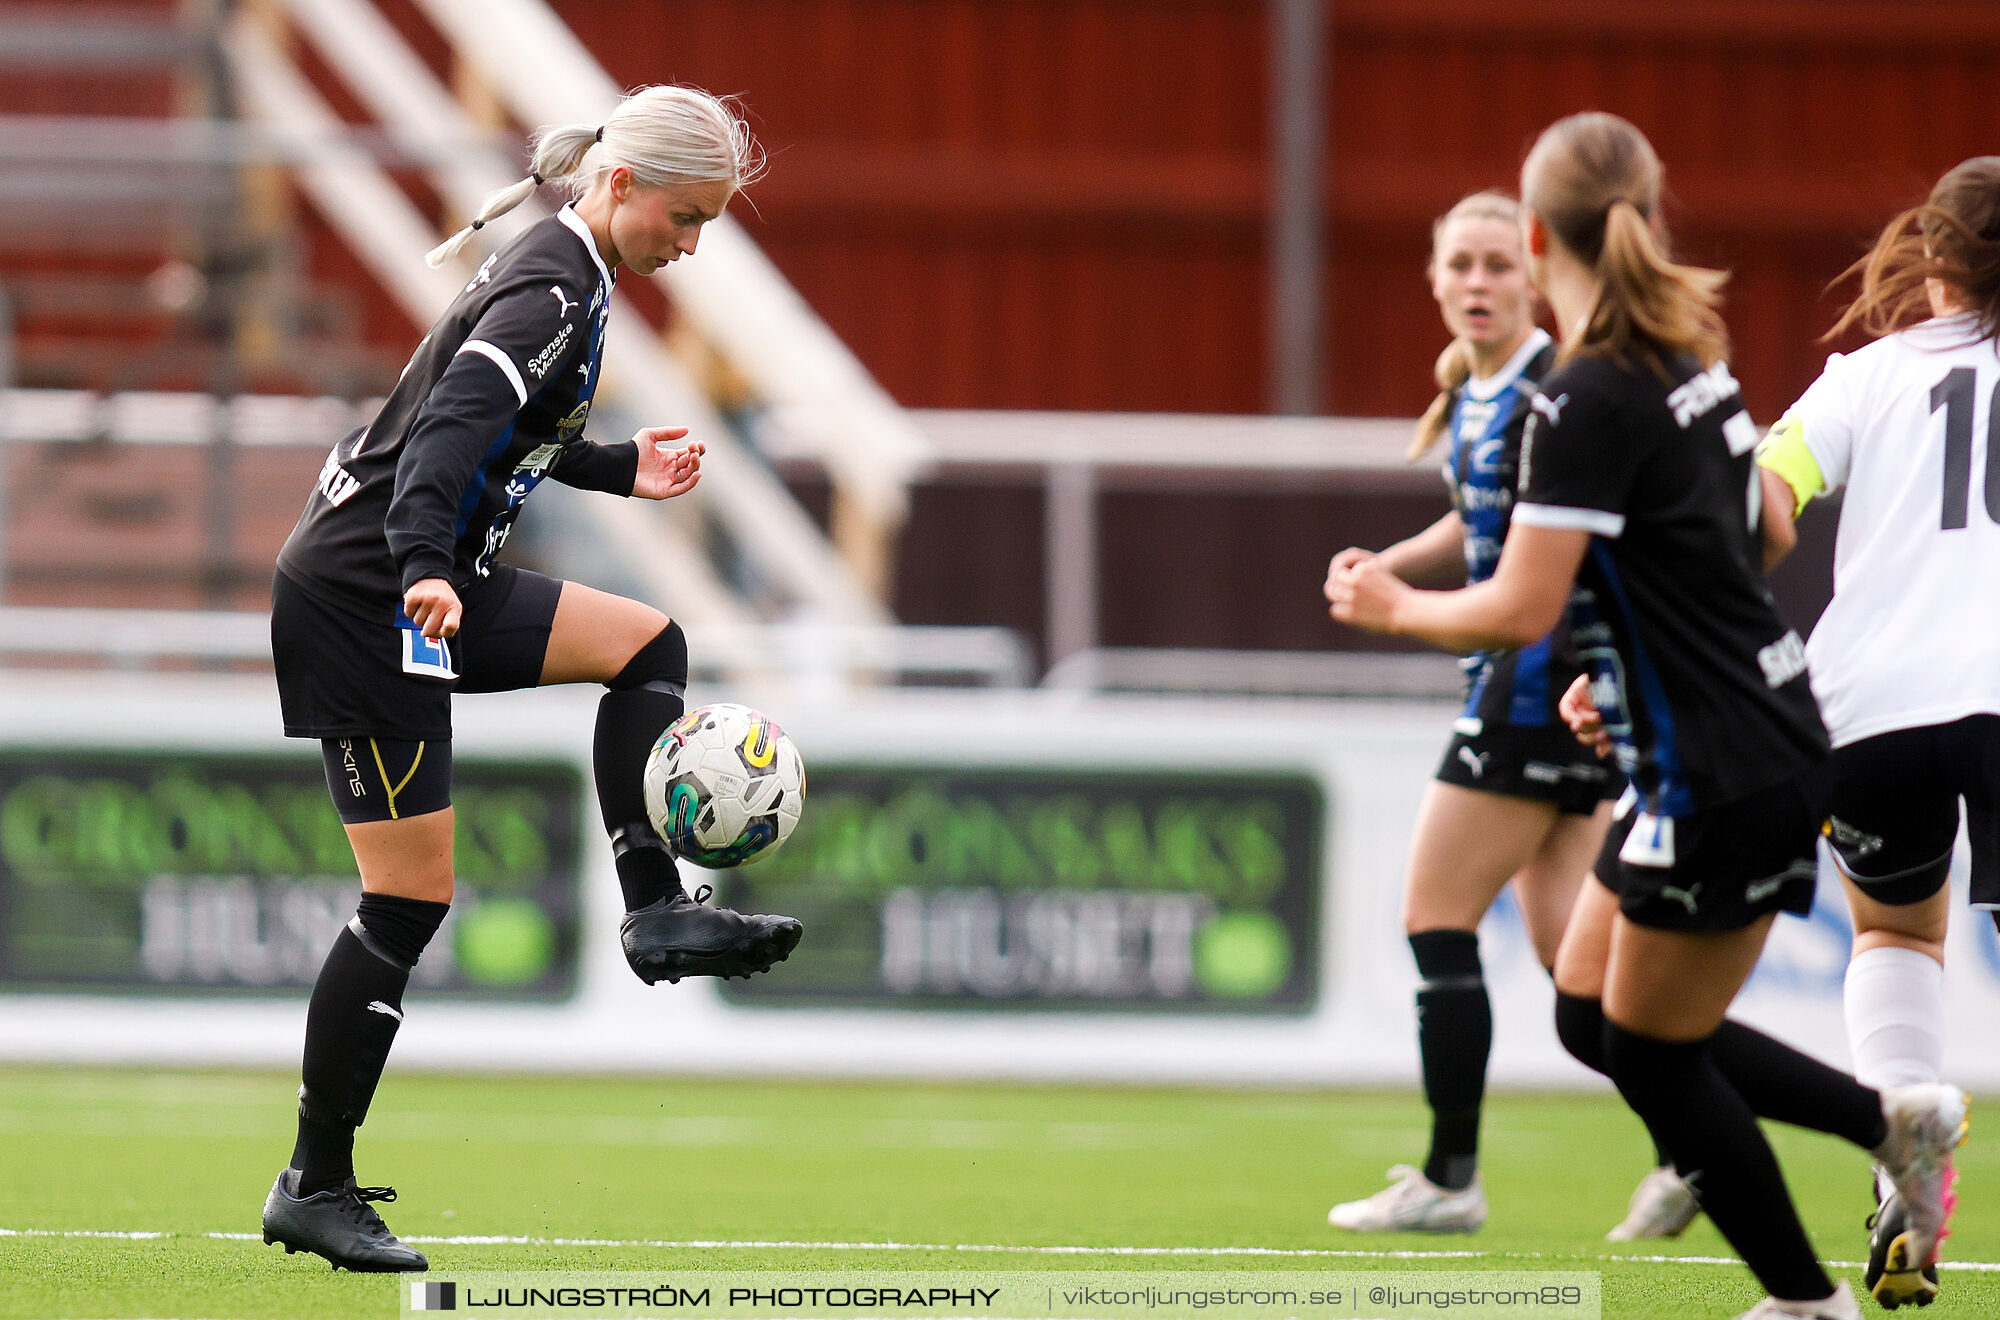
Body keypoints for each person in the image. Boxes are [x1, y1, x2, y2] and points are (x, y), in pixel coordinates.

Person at [1328, 111, 1967, 1320]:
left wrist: (1387, 605)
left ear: (1530, 236)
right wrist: (1629, 663)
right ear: (1645, 217)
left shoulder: (1581, 400)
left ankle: (1805, 1296)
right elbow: (1762, 533)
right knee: (1588, 1011)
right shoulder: (1689, 363)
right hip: (1724, 741)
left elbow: (1518, 608)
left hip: (1723, 766)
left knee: (1651, 1053)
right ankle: (1892, 1124)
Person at [259, 85, 804, 1273]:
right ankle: (315, 1183)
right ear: (620, 186)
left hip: (419, 569)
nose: (693, 242)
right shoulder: (558, 285)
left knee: (645, 644)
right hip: (373, 593)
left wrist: (615, 466)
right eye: (687, 215)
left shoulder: (570, 269)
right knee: (406, 901)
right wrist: (421, 570)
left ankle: (652, 908)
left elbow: (500, 429)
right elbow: (449, 432)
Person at [1321, 194, 1692, 1239]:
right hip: (1555, 697)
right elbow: (1479, 518)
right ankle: (1690, 1147)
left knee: (1432, 916)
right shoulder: (1485, 393)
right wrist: (1389, 562)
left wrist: (1404, 613)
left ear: (1529, 277)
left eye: (1496, 264)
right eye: (1460, 266)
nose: (1477, 282)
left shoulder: (1544, 391)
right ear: (1433, 280)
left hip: (1533, 687)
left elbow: (1553, 554)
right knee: (1574, 970)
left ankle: (1448, 1178)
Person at [1752, 155, 2000, 1309]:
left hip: (1868, 707)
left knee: (1895, 939)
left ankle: (1905, 1166)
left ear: (1933, 256)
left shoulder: (1860, 376)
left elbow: (1761, 502)